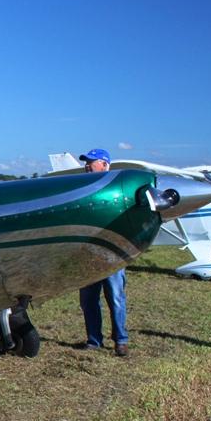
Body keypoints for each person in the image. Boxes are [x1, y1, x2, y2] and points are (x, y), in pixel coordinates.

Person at [77, 148, 130, 356]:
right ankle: (94, 340)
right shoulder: (82, 188)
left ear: (105, 164)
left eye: (92, 162)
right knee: (88, 300)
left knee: (115, 297)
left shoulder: (116, 191)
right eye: (86, 162)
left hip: (112, 254)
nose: (87, 165)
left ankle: (121, 340)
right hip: (88, 255)